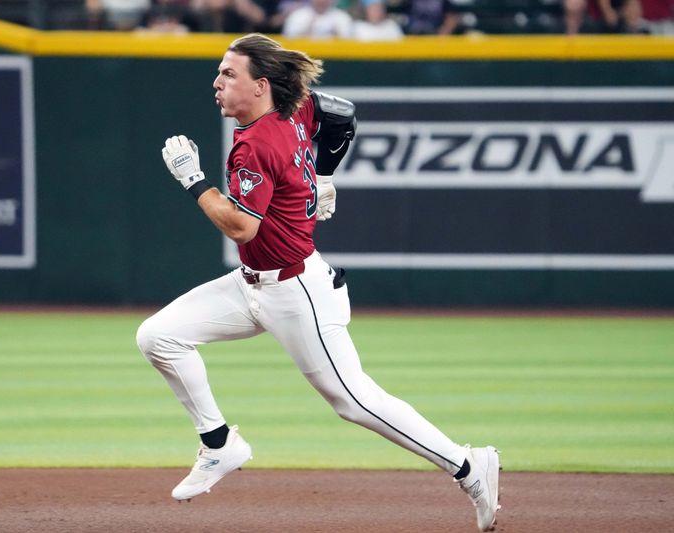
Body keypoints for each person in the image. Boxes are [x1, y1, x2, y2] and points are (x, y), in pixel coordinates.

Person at [136, 33, 501, 532]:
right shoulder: (292, 110)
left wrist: (193, 180)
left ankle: (467, 464)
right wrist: (324, 173)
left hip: (296, 291)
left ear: (260, 85)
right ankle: (220, 445)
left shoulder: (258, 142)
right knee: (159, 336)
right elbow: (342, 113)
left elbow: (242, 226)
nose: (217, 82)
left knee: (352, 400)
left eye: (228, 73)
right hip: (250, 285)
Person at [281, 0, 354, 38]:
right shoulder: (298, 16)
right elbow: (289, 41)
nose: (322, 1)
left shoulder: (342, 17)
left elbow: (348, 40)